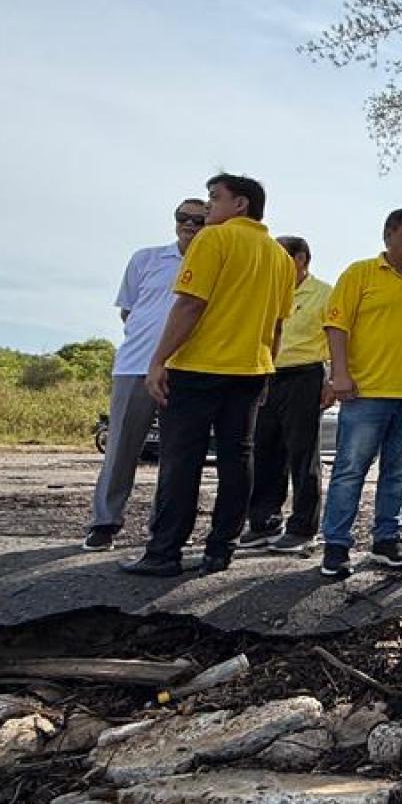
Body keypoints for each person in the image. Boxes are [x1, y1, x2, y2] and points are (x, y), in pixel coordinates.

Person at [123, 174, 294, 577]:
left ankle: (165, 552)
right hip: (251, 370)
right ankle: (221, 549)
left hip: (199, 367)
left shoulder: (213, 240)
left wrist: (158, 359)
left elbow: (188, 306)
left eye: (214, 199)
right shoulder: (280, 257)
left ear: (240, 205)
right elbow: (277, 325)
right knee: (238, 460)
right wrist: (267, 366)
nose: (207, 208)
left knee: (182, 460)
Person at [318, 209, 402, 578]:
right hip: (366, 393)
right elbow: (336, 325)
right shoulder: (359, 273)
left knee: (398, 472)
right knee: (350, 470)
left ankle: (387, 540)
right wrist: (339, 374)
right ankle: (336, 545)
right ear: (388, 236)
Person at [83, 197, 205, 551]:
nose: (190, 225)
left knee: (177, 456)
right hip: (135, 367)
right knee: (121, 448)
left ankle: (164, 531)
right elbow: (129, 312)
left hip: (186, 371)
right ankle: (104, 523)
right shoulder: (146, 259)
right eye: (183, 218)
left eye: (198, 220)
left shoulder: (216, 264)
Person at [241, 235, 331, 553]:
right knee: (264, 451)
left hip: (305, 375)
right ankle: (264, 521)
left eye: (280, 256)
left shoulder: (324, 293)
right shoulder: (264, 291)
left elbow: (336, 338)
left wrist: (331, 381)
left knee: (302, 453)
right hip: (266, 375)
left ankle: (303, 527)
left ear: (301, 258)